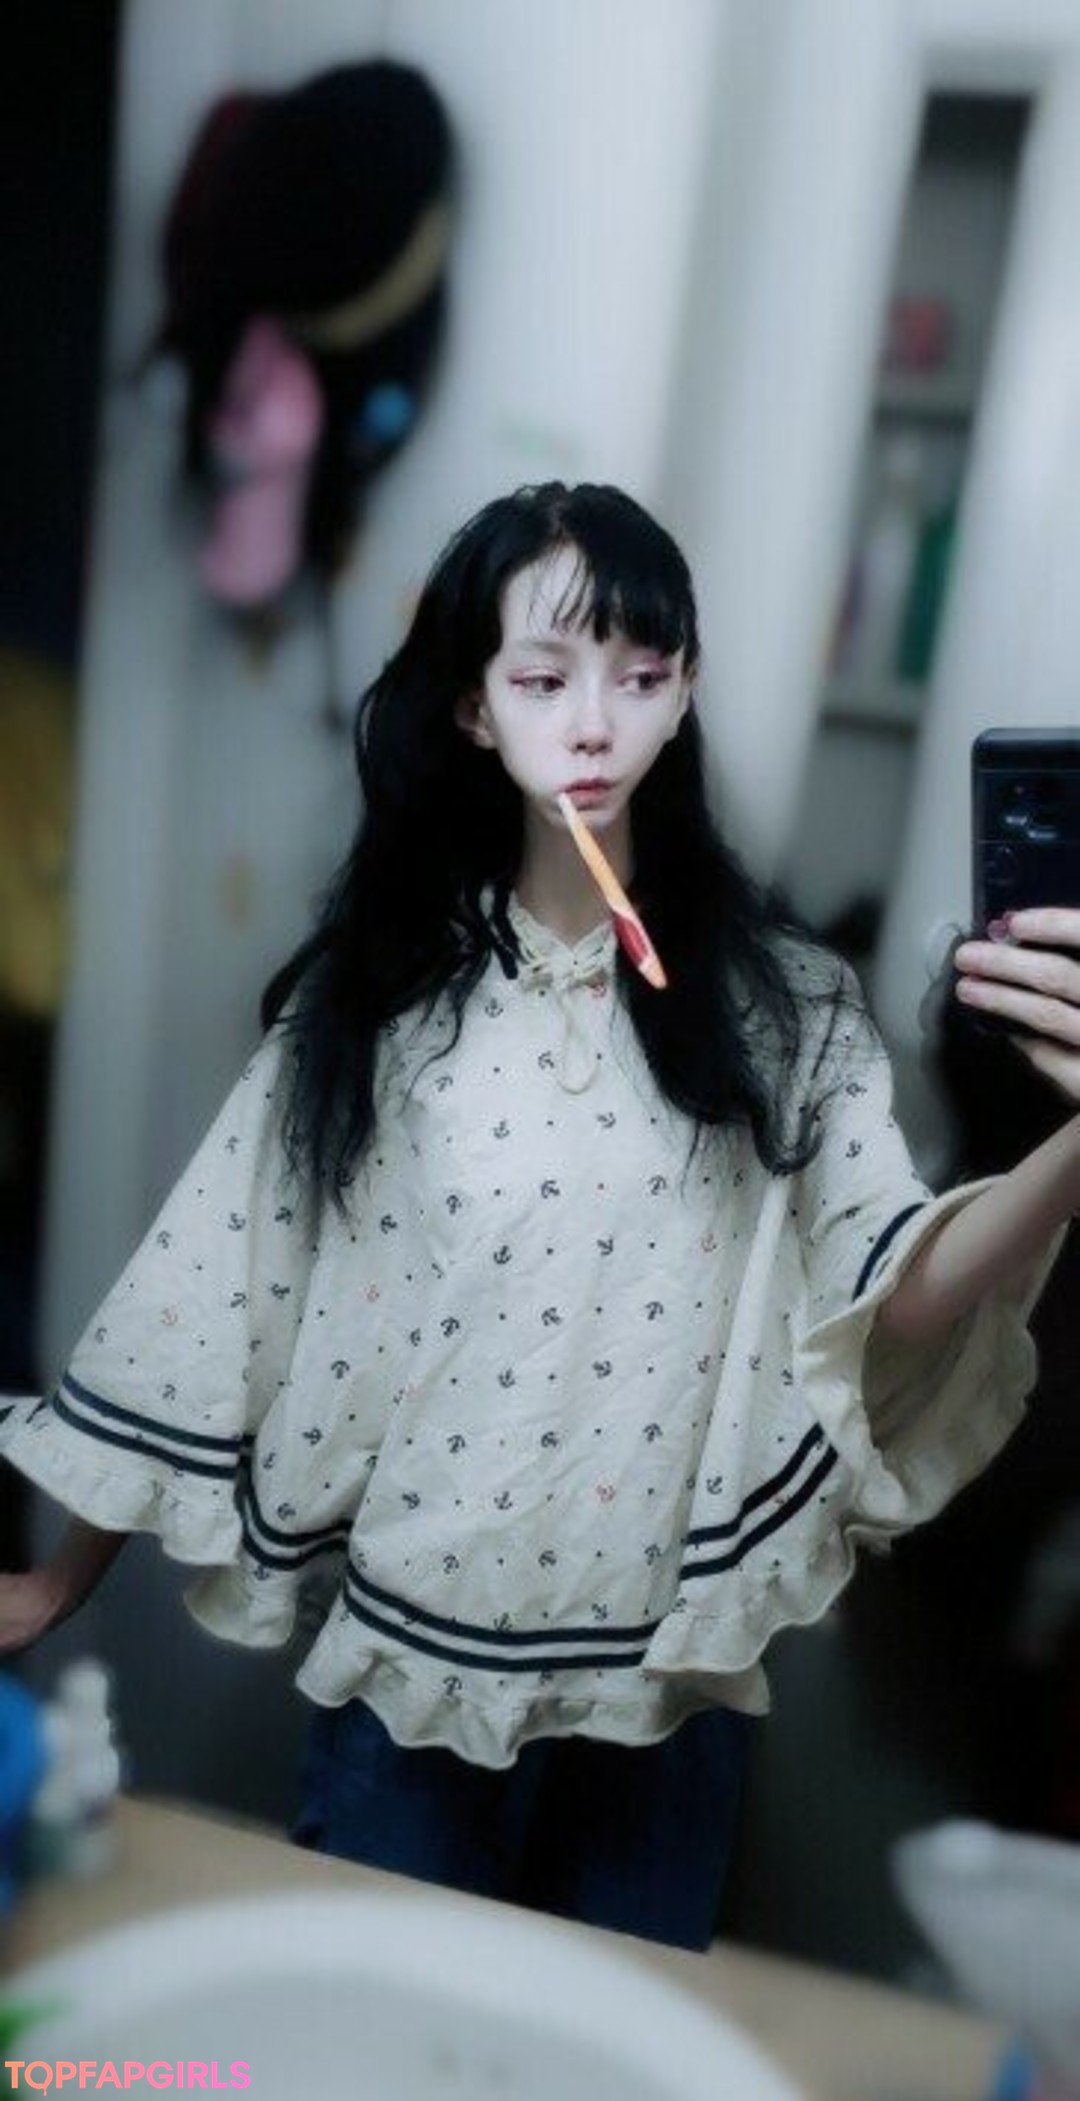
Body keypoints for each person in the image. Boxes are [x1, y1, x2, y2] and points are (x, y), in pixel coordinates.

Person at [1, 482, 1079, 1950]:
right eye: (544, 678)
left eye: (639, 677)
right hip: (410, 1692)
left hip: (666, 1708)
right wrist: (56, 1579)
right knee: (382, 2030)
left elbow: (899, 1290)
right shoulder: (377, 1008)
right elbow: (211, 1285)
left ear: (682, 694)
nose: (592, 724)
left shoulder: (789, 1007)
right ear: (473, 706)